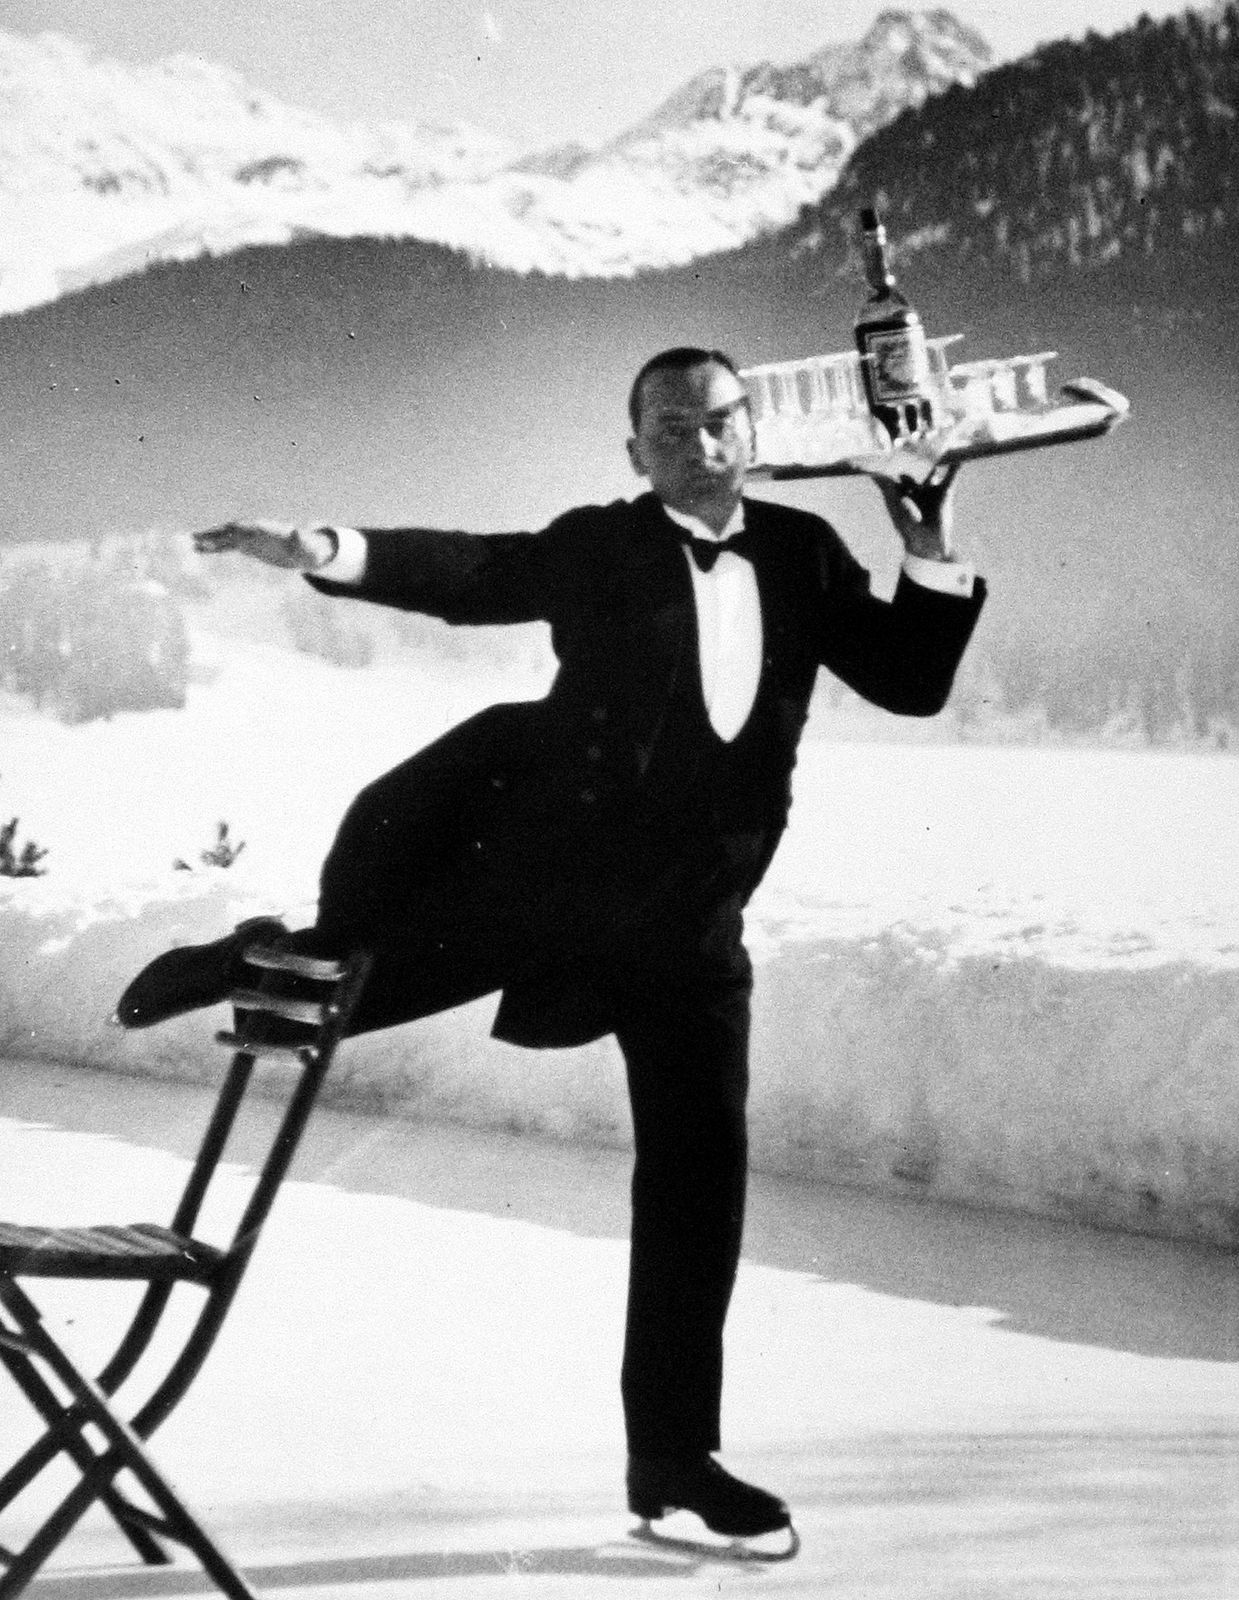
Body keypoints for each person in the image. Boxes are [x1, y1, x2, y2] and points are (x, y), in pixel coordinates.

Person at [116, 346, 985, 1545]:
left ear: (755, 432)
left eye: (720, 419)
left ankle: (674, 1458)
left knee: (699, 1187)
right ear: (636, 453)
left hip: (692, 929)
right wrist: (325, 548)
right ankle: (252, 950)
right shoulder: (602, 545)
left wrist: (928, 543)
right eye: (670, 428)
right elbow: (475, 571)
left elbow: (911, 682)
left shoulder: (801, 554)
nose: (700, 443)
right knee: (338, 983)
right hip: (547, 889)